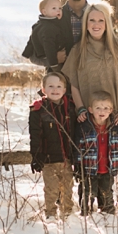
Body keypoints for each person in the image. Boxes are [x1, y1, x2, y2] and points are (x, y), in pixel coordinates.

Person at [62, 1, 118, 214]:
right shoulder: (78, 50)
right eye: (92, 20)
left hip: (115, 114)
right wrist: (81, 109)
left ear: (107, 23)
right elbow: (73, 83)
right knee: (90, 162)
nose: (96, 24)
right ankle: (89, 207)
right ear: (86, 23)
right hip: (88, 116)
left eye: (100, 20)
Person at [74, 91, 118, 215]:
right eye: (98, 108)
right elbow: (78, 149)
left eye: (106, 108)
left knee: (107, 199)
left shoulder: (116, 127)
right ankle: (86, 217)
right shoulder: (84, 127)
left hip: (107, 170)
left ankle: (108, 217)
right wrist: (78, 169)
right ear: (90, 110)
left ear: (111, 110)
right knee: (87, 196)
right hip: (88, 170)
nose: (102, 111)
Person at [29, 71, 76, 220]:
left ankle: (68, 214)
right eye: (50, 86)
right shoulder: (38, 110)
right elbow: (35, 135)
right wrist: (37, 157)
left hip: (66, 159)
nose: (55, 90)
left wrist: (76, 155)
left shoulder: (70, 107)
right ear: (43, 89)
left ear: (64, 89)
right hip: (48, 159)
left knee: (68, 188)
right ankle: (50, 214)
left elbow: (74, 133)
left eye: (58, 86)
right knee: (51, 190)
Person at [24, 0, 74, 72]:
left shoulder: (42, 23)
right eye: (54, 8)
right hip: (48, 57)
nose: (58, 10)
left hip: (51, 55)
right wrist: (54, 64)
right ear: (44, 12)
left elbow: (32, 39)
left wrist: (26, 53)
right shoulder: (48, 28)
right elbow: (49, 46)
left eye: (60, 8)